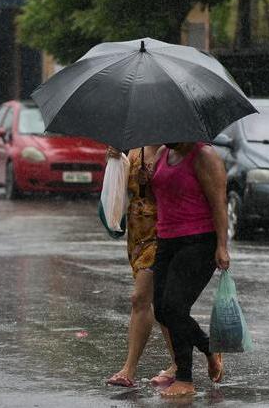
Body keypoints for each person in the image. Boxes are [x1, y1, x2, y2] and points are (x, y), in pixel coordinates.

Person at [149, 141, 229, 397]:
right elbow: (161, 194)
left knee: (175, 307)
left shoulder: (204, 156)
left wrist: (222, 246)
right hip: (166, 239)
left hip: (199, 241)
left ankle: (185, 378)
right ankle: (208, 346)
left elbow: (219, 203)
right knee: (161, 310)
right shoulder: (163, 153)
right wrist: (144, 180)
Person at [104, 145, 177, 388]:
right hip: (137, 234)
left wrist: (155, 177)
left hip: (162, 232)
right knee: (161, 302)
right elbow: (123, 192)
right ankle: (182, 361)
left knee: (139, 298)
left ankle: (129, 369)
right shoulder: (134, 153)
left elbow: (180, 190)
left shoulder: (174, 152)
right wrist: (116, 163)